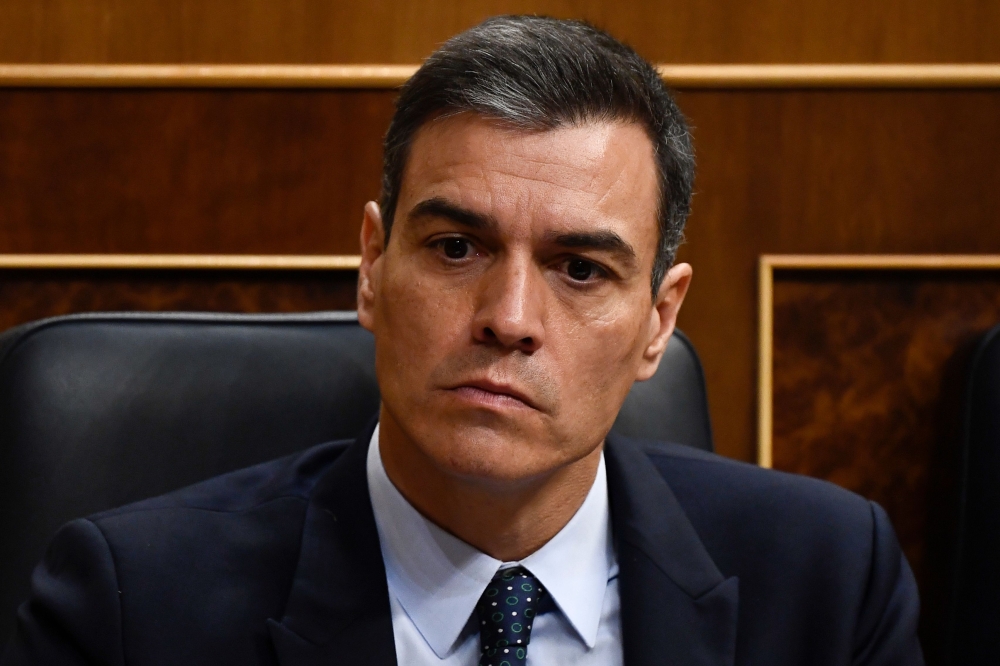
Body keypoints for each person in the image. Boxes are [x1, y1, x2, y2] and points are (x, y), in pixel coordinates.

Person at [2, 15, 922, 666]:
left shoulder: (828, 583)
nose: (510, 316)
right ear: (372, 267)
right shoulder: (133, 610)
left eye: (580, 270)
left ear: (658, 321)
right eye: (455, 247)